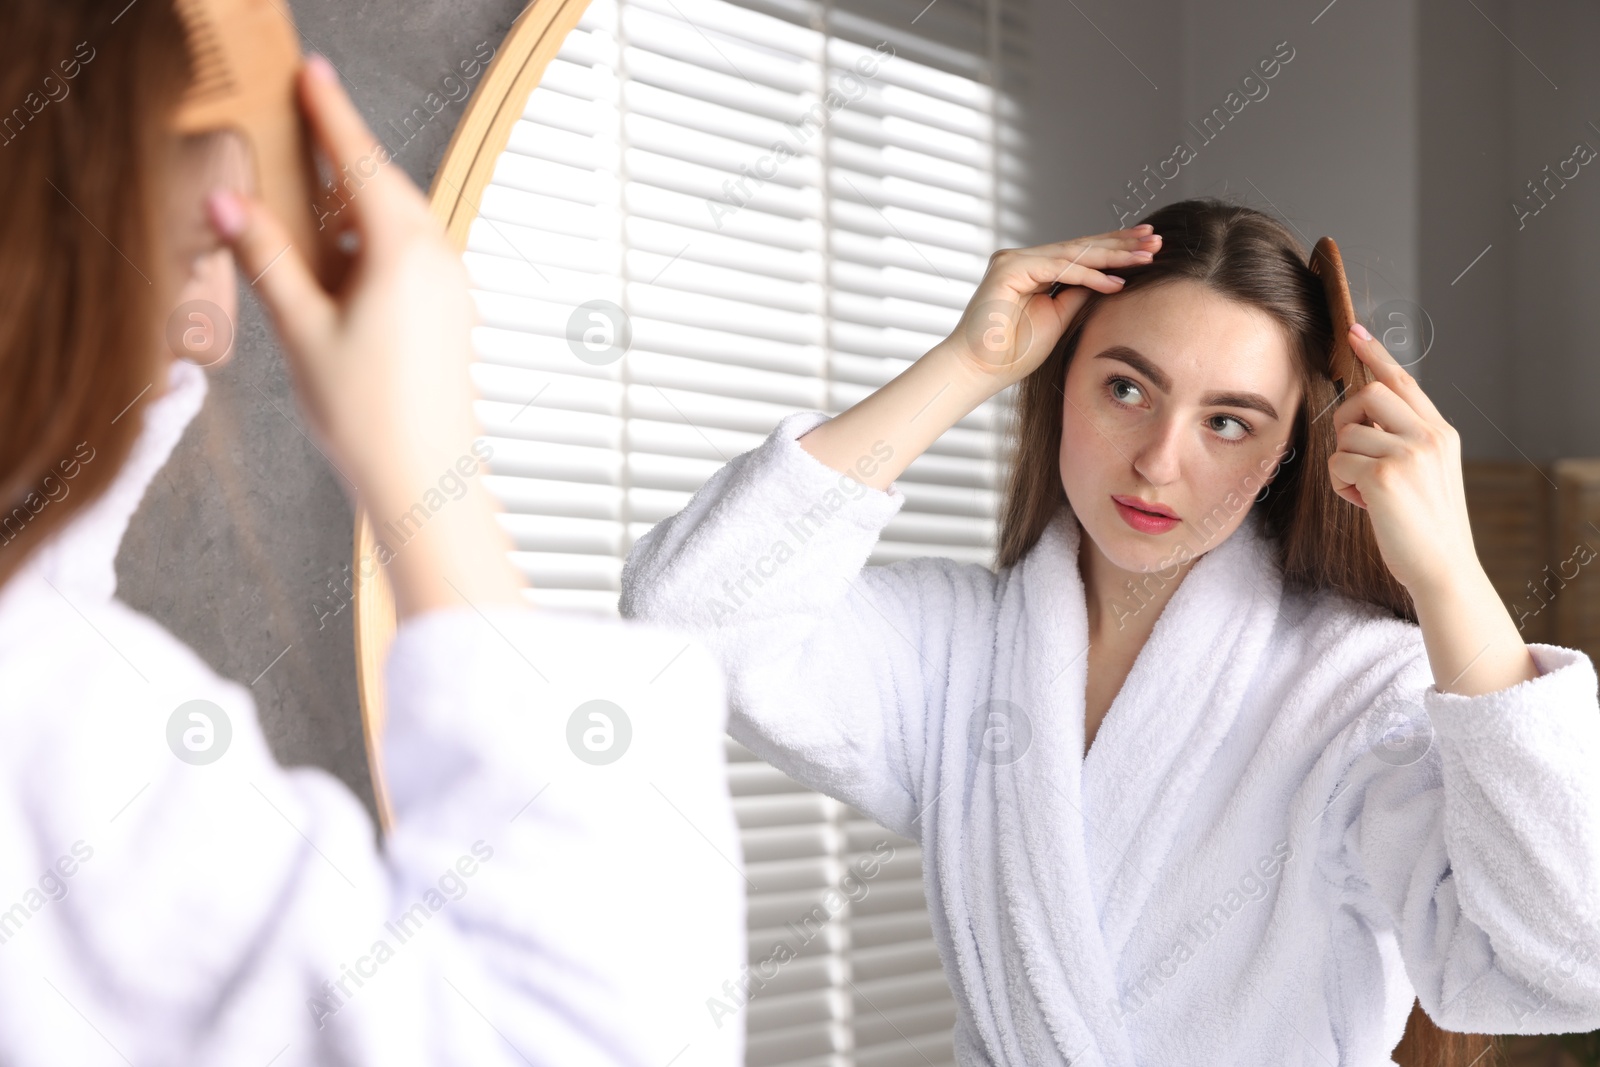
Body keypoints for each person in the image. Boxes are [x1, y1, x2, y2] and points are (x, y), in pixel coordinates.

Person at [619, 198, 1600, 1066]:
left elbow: (1565, 958)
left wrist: (1446, 572)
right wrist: (964, 367)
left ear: (1286, 449)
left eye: (1229, 421)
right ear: (1058, 384)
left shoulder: (1355, 688)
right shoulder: (955, 652)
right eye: (1125, 388)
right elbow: (686, 620)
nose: (1157, 463)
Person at [0, 3, 743, 1064]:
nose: (212, 334)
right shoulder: (50, 723)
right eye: (209, 232)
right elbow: (590, 1035)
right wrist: (420, 450)